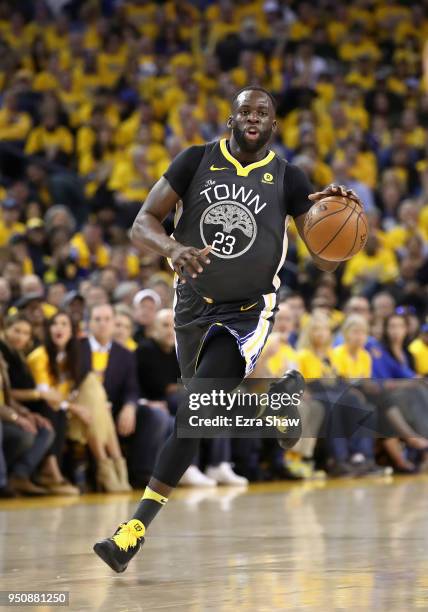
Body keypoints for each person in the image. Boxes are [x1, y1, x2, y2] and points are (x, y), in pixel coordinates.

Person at [93, 86, 363, 572]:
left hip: (248, 311)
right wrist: (173, 249)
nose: (254, 117)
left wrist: (339, 221)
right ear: (231, 120)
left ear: (273, 125)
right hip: (192, 306)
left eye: (263, 112)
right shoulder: (195, 161)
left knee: (196, 410)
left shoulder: (289, 176)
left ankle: (132, 531)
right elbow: (142, 223)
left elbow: (324, 262)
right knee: (203, 405)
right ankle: (274, 406)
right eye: (246, 111)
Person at [80, 303, 170, 489]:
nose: (103, 324)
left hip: (115, 409)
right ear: (89, 323)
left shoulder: (126, 354)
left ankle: (141, 473)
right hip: (86, 410)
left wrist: (130, 407)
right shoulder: (79, 348)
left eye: (107, 319)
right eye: (97, 319)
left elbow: (132, 389)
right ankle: (109, 471)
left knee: (156, 416)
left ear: (113, 323)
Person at [27, 311, 92, 494]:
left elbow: (67, 393)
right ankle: (51, 470)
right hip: (36, 404)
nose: (59, 328)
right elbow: (46, 394)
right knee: (54, 410)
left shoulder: (71, 356)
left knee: (62, 412)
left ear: (72, 331)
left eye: (64, 324)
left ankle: (57, 470)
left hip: (59, 406)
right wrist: (75, 408)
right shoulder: (39, 356)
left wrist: (73, 405)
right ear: (48, 330)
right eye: (55, 324)